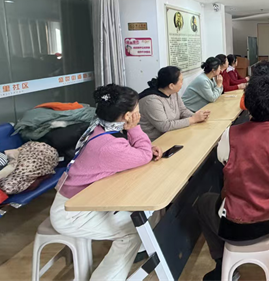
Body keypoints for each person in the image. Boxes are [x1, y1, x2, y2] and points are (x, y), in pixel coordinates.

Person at [50, 84, 161, 281]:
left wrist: (138, 150)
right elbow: (142, 155)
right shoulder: (107, 145)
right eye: (137, 111)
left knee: (146, 215)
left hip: (86, 200)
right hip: (72, 213)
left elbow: (129, 152)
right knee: (134, 232)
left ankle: (138, 252)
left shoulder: (101, 126)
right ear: (128, 116)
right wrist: (136, 133)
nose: (139, 114)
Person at [194, 76, 269, 281]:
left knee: (202, 203)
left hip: (240, 224)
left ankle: (222, 263)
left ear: (247, 103)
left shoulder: (230, 135)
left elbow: (223, 160)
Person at [138, 66, 211, 141]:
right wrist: (193, 119)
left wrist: (197, 116)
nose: (182, 84)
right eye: (181, 81)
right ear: (171, 86)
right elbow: (164, 126)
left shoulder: (173, 93)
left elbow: (182, 110)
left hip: (171, 134)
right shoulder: (151, 101)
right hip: (154, 141)